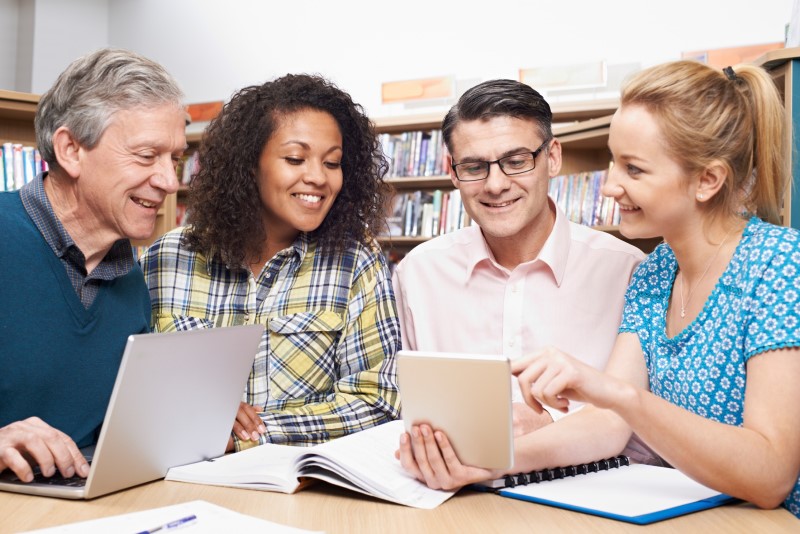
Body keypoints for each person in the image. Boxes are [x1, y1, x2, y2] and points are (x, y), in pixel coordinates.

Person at [400, 60, 800, 518]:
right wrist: (488, 463)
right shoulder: (655, 272)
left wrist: (617, 395)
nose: (609, 186)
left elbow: (771, 477)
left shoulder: (780, 263)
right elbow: (609, 425)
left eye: (633, 169)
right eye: (613, 162)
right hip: (689, 516)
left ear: (707, 180)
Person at [139, 74, 401, 451]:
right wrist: (195, 412)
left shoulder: (356, 261)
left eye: (332, 163)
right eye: (295, 159)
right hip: (178, 481)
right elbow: (132, 386)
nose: (317, 177)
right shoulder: (167, 259)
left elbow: (377, 401)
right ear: (249, 165)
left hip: (299, 494)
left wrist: (249, 434)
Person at [392, 79, 645, 436]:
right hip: (459, 487)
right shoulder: (417, 274)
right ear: (452, 172)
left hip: (591, 487)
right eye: (474, 167)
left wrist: (550, 423)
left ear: (552, 158)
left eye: (516, 161)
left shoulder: (627, 272)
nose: (495, 184)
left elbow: (648, 425)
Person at [0, 48, 185, 483]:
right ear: (70, 150)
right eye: (146, 156)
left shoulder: (131, 275)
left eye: (174, 158)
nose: (170, 181)